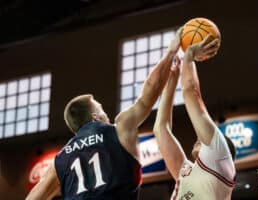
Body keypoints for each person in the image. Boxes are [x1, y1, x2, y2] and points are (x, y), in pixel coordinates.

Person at [26, 29, 182, 200]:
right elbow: (150, 92)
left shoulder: (60, 160)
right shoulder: (119, 128)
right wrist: (171, 52)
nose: (106, 115)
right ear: (94, 117)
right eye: (102, 110)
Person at [153, 35, 236, 200]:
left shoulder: (220, 156)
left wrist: (189, 56)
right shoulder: (186, 171)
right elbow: (160, 130)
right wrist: (171, 84)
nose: (199, 137)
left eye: (204, 140)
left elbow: (191, 92)